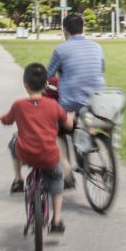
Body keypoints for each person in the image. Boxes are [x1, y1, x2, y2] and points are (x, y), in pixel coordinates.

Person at [0, 61, 71, 234]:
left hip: (26, 154)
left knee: (13, 142)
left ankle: (18, 179)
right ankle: (56, 220)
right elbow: (67, 125)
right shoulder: (53, 106)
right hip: (49, 156)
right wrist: (69, 117)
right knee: (56, 178)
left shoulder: (18, 105)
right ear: (46, 84)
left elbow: (7, 120)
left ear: (25, 85)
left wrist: (2, 118)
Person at [44, 11, 106, 186]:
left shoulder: (60, 49)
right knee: (81, 123)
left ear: (65, 31)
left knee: (57, 131)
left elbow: (48, 76)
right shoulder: (97, 47)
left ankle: (68, 174)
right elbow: (101, 69)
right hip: (98, 101)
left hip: (72, 104)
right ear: (83, 28)